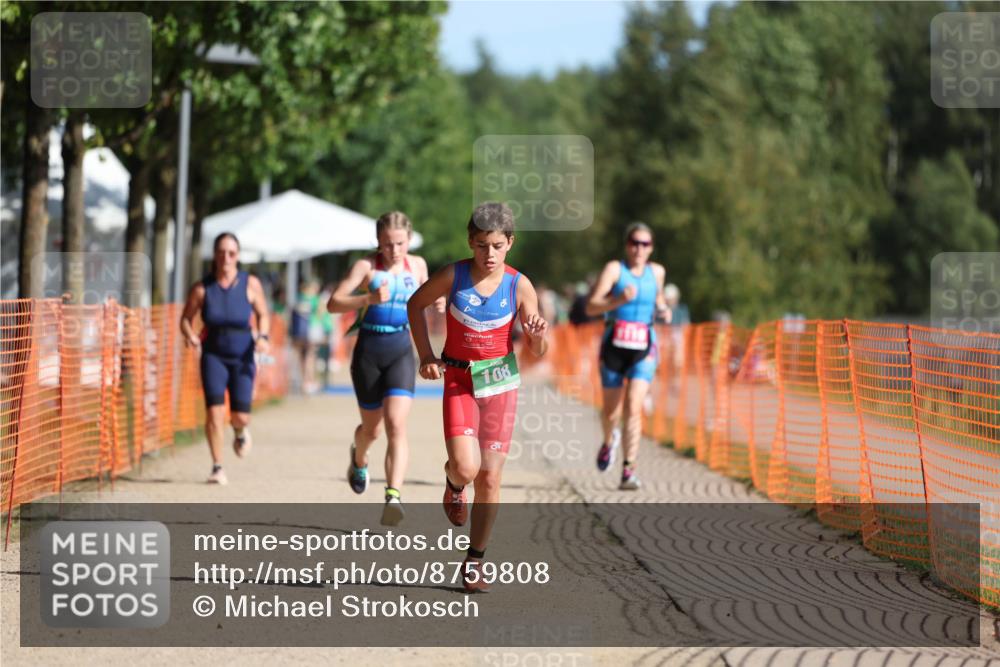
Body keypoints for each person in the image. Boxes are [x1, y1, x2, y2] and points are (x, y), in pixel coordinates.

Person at [407, 202, 549, 593]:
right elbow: (414, 305)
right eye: (483, 245)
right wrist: (425, 356)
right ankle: (454, 484)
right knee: (467, 468)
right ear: (471, 241)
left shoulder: (519, 285)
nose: (489, 254)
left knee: (490, 475)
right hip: (460, 380)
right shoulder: (453, 276)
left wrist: (537, 336)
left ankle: (475, 560)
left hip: (501, 383)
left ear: (510, 244)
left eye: (498, 246)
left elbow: (538, 352)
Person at [327, 211, 441, 526]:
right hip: (368, 353)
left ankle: (393, 495)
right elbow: (334, 303)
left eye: (400, 243)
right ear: (378, 242)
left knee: (396, 425)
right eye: (388, 244)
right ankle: (359, 459)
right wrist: (367, 298)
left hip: (401, 350)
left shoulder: (416, 265)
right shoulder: (366, 267)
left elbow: (427, 297)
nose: (394, 251)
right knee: (372, 430)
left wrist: (439, 303)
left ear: (409, 240)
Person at [180, 232, 271, 485]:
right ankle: (217, 466)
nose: (226, 258)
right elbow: (185, 320)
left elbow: (263, 314)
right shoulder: (202, 288)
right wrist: (190, 335)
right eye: (221, 252)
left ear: (238, 256)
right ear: (215, 255)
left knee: (240, 416)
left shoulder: (250, 284)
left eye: (231, 253)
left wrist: (263, 337)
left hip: (242, 357)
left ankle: (240, 430)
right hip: (213, 356)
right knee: (215, 412)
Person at [585, 222, 668, 490]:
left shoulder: (656, 272)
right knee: (611, 412)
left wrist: (664, 310)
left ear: (651, 247)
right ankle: (609, 441)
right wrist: (617, 300)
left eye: (645, 243)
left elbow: (660, 300)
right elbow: (591, 306)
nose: (639, 248)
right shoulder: (614, 270)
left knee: (634, 407)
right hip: (614, 345)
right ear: (626, 244)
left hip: (644, 345)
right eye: (634, 242)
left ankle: (628, 470)